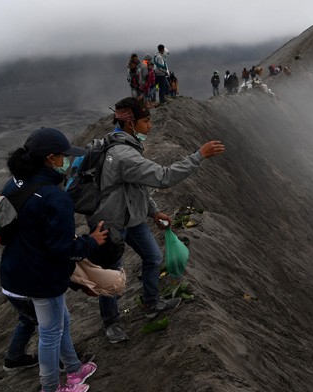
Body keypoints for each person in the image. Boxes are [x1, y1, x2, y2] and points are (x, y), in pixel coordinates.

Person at [88, 97, 226, 343]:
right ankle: (111, 323)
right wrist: (199, 155)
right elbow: (163, 177)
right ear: (130, 124)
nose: (150, 125)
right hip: (112, 224)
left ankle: (151, 303)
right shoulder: (123, 155)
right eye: (146, 120)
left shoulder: (122, 144)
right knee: (110, 276)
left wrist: (153, 212)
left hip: (132, 217)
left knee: (153, 257)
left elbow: (134, 186)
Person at [0, 127, 108, 392]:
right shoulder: (55, 198)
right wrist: (92, 241)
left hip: (14, 272)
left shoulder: (15, 185)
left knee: (62, 323)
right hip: (39, 278)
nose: (66, 160)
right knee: (49, 333)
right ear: (50, 158)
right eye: (62, 156)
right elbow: (63, 250)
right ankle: (50, 391)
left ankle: (73, 369)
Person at [3, 296, 94, 371]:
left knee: (27, 320)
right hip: (27, 291)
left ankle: (14, 357)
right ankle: (65, 361)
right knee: (51, 324)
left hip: (15, 290)